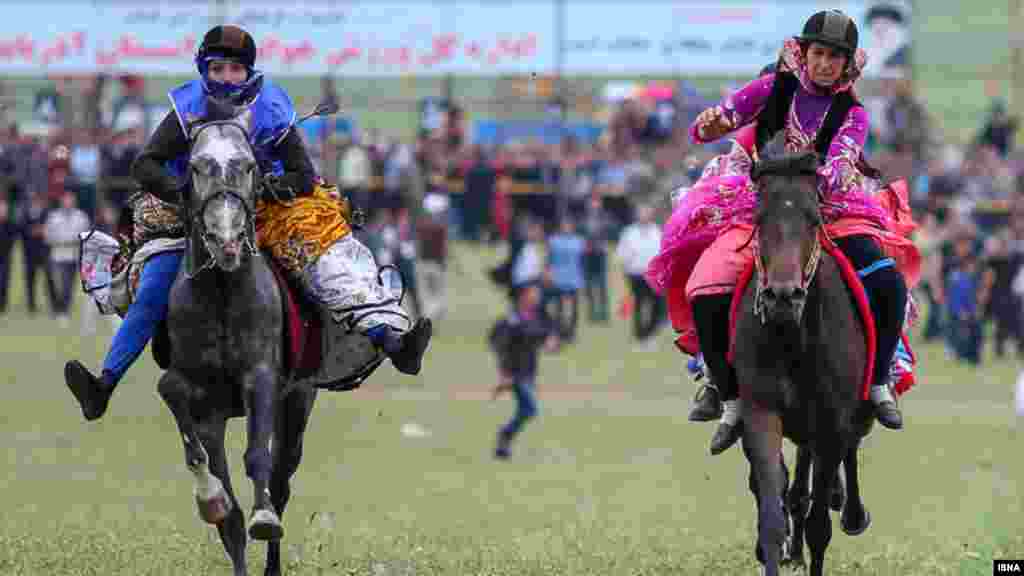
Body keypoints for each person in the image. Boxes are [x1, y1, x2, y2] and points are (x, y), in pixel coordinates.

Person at [64, 24, 432, 422]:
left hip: (268, 213)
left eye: (235, 69)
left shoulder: (271, 105)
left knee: (329, 261)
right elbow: (145, 164)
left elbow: (303, 175)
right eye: (218, 67)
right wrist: (185, 190)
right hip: (196, 216)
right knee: (154, 288)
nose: (226, 77)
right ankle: (104, 385)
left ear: (248, 71)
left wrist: (270, 187)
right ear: (205, 69)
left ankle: (393, 344)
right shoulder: (187, 106)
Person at [646, 10, 921, 455]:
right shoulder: (774, 88)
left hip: (828, 210)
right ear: (804, 53)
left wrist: (819, 176)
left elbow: (838, 168)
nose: (826, 63)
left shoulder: (853, 113)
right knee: (704, 286)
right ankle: (726, 390)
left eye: (836, 56)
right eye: (819, 53)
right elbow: (714, 122)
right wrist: (712, 123)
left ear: (848, 64)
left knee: (887, 281)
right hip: (760, 210)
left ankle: (876, 383)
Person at [489, 282, 558, 460]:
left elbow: (547, 332)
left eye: (538, 294)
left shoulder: (538, 316)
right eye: (532, 294)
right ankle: (505, 436)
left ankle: (503, 445)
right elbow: (500, 345)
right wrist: (505, 374)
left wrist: (550, 340)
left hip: (529, 370)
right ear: (523, 297)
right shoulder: (513, 319)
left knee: (526, 409)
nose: (536, 297)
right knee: (530, 408)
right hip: (515, 372)